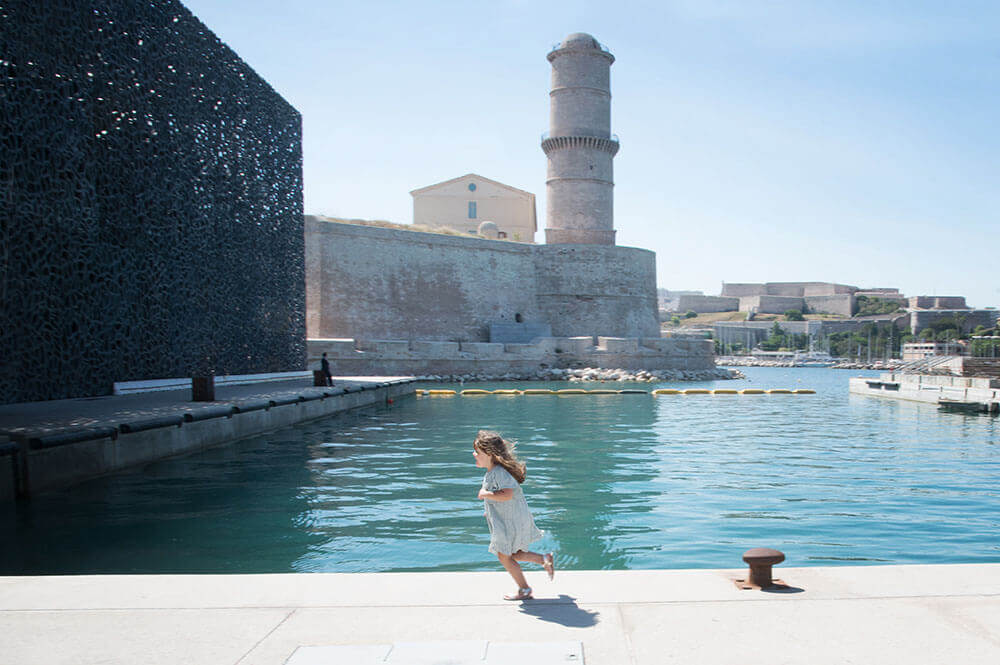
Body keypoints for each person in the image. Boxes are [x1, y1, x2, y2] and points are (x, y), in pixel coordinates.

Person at [473, 429, 554, 600]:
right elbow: (502, 498)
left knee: (504, 556)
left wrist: (485, 494)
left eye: (477, 452)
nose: (474, 454)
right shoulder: (493, 473)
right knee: (514, 554)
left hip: (512, 523)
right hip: (511, 521)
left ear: (489, 454)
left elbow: (507, 494)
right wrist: (489, 510)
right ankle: (544, 559)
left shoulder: (499, 473)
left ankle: (524, 589)